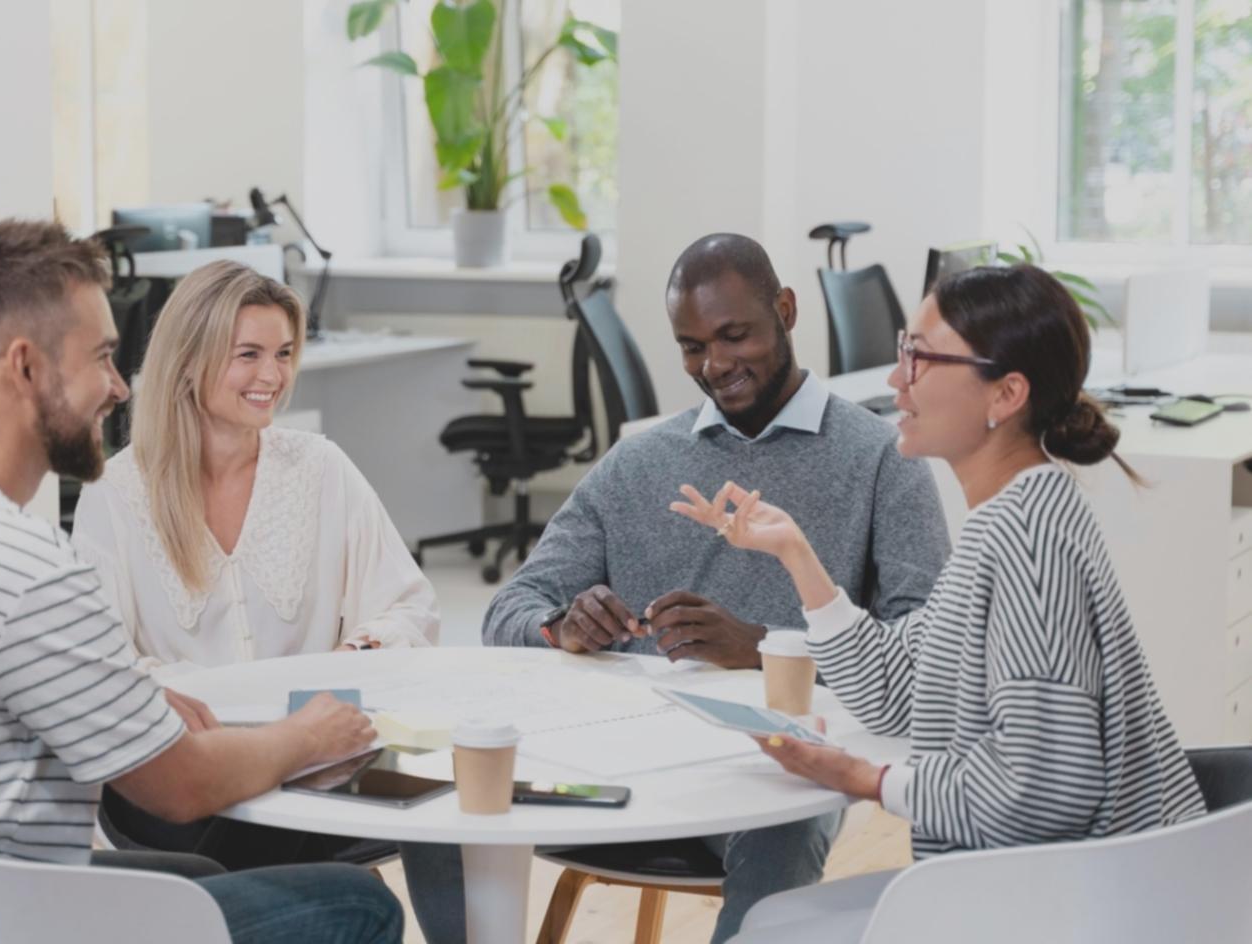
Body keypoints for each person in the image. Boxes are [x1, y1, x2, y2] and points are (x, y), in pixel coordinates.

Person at [0, 219, 403, 944]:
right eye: (102, 356)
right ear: (26, 368)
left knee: (198, 881)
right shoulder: (27, 571)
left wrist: (128, 690)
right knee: (359, 902)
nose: (117, 386)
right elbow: (182, 789)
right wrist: (307, 735)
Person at [670, 264, 1206, 942]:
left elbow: (1042, 791)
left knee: (771, 931)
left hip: (1071, 909)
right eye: (903, 351)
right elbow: (897, 689)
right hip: (1049, 889)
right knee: (773, 923)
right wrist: (797, 557)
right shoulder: (1015, 513)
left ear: (1005, 393)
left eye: (919, 358)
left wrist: (868, 779)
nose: (896, 380)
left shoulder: (1023, 543)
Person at [468, 233, 950, 942]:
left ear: (784, 310)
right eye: (692, 347)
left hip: (782, 765)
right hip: (629, 759)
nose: (715, 365)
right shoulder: (637, 463)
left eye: (734, 335)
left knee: (779, 826)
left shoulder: (882, 459)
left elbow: (925, 651)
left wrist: (763, 646)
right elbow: (506, 610)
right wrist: (561, 626)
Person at [69, 259, 451, 937]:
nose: (271, 376)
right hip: (177, 777)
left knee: (449, 802)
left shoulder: (320, 468)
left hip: (316, 766)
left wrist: (354, 654)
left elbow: (409, 607)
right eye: (247, 355)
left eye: (281, 354)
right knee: (324, 875)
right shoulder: (116, 492)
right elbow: (101, 667)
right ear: (189, 360)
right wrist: (238, 724)